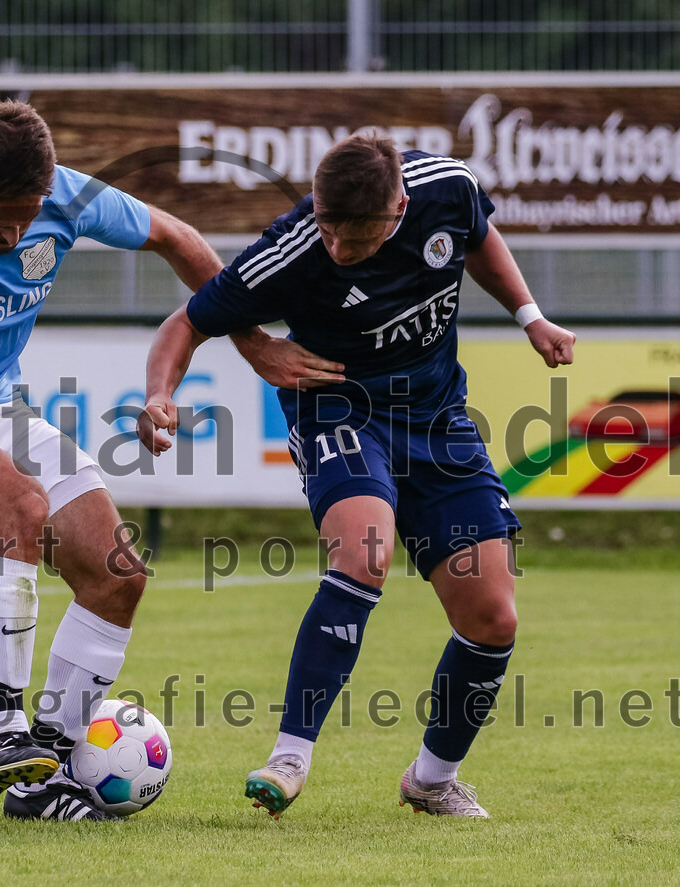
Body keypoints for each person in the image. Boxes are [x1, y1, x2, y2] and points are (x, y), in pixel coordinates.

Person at [0, 100, 330, 822]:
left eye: (28, 216)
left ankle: (47, 771)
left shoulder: (69, 196)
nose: (16, 232)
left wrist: (255, 346)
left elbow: (179, 238)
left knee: (117, 574)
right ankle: (5, 733)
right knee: (19, 505)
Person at [138, 133, 576, 819]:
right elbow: (185, 324)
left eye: (357, 239)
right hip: (338, 411)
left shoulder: (448, 188)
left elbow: (478, 235)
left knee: (492, 616)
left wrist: (530, 315)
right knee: (364, 552)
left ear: (400, 207)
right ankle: (289, 755)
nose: (338, 248)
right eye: (328, 229)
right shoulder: (294, 248)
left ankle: (432, 779)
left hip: (437, 421)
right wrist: (160, 395)